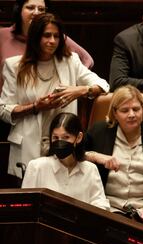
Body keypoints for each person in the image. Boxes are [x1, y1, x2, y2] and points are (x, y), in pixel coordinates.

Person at [0, 13, 109, 179]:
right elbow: (3, 111)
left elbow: (103, 85)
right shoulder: (14, 66)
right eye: (47, 35)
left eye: (56, 36)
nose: (52, 41)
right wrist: (36, 107)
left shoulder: (71, 61)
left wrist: (79, 90)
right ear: (36, 37)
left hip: (63, 144)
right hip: (28, 146)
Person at [85, 85, 143, 232]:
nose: (132, 114)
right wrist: (95, 156)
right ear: (115, 113)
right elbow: (77, 155)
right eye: (125, 110)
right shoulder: (99, 131)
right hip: (108, 205)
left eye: (136, 109)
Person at [22, 112, 110, 210]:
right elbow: (25, 205)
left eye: (66, 137)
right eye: (55, 137)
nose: (60, 142)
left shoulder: (90, 169)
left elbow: (100, 205)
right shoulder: (36, 167)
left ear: (79, 137)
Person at [0, 0, 94, 91]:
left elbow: (87, 59)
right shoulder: (2, 35)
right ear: (19, 10)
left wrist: (72, 85)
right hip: (9, 101)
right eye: (30, 8)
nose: (36, 13)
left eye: (41, 9)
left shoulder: (53, 37)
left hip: (48, 100)